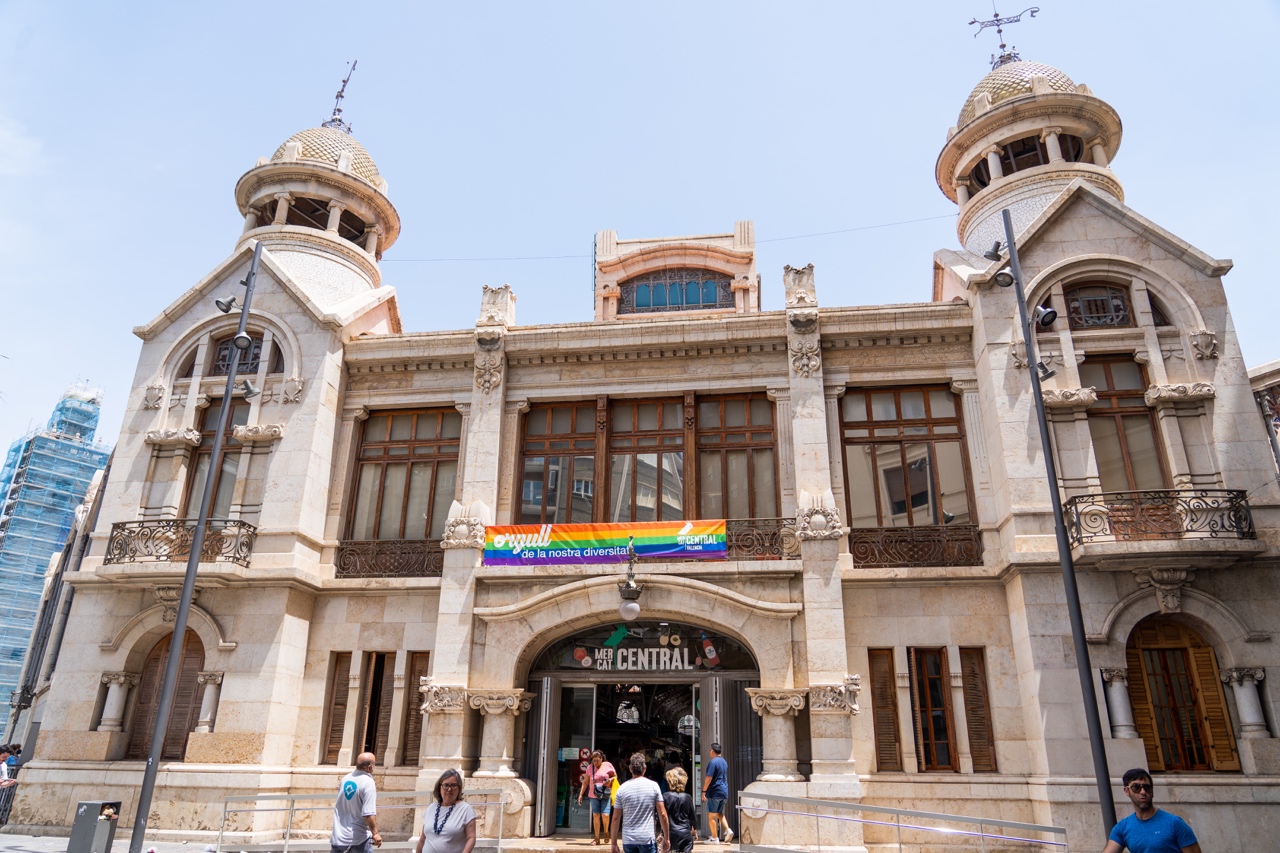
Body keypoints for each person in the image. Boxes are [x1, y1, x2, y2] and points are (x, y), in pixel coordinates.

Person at [1101, 769, 1201, 853]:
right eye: (1136, 787)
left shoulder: (1174, 823)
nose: (1143, 792)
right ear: (1127, 791)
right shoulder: (1123, 828)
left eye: (1147, 787)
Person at [611, 752, 670, 853]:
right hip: (647, 838)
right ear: (645, 768)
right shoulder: (654, 786)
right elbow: (663, 814)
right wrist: (666, 837)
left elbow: (616, 818)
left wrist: (614, 843)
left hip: (628, 839)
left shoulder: (622, 788)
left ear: (630, 768)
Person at [414, 769, 476, 853]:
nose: (449, 789)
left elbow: (471, 838)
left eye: (453, 785)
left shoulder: (466, 809)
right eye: (446, 785)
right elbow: (422, 839)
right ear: (439, 787)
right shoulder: (431, 808)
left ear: (459, 788)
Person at [331, 752, 381, 853]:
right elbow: (368, 813)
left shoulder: (345, 779)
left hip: (338, 837)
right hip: (358, 840)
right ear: (369, 767)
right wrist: (375, 833)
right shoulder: (368, 782)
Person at [577, 749, 618, 846]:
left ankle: (606, 832)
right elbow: (586, 782)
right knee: (596, 815)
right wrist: (581, 795)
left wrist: (610, 779)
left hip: (606, 794)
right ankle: (597, 839)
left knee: (605, 815)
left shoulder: (608, 765)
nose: (595, 763)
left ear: (601, 759)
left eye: (597, 760)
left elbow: (615, 777)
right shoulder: (590, 768)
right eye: (593, 761)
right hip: (593, 795)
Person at [701, 743, 733, 845]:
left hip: (715, 792)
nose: (709, 752)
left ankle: (714, 838)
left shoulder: (713, 762)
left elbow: (709, 778)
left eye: (710, 750)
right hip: (724, 791)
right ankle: (728, 830)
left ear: (712, 751)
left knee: (711, 815)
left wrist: (704, 791)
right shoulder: (724, 762)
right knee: (719, 813)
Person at [661, 767, 696, 853]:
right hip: (685, 834)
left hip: (670, 833)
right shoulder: (688, 797)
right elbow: (693, 818)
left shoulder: (665, 796)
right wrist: (694, 830)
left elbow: (661, 816)